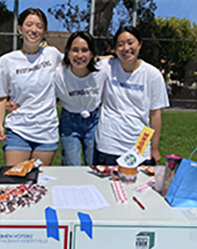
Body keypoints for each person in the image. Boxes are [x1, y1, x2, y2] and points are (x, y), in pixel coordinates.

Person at [0, 8, 63, 166]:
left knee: (40, 184)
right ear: (20, 29)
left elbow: (78, 63)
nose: (34, 30)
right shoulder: (7, 61)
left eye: (39, 26)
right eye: (29, 24)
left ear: (44, 32)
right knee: (15, 181)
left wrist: (112, 60)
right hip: (18, 130)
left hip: (47, 131)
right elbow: (1, 95)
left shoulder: (52, 54)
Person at [94, 25, 169, 166]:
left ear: (139, 44)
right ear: (115, 49)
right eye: (120, 45)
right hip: (109, 145)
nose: (126, 48)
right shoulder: (107, 66)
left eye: (130, 42)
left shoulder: (152, 74)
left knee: (138, 187)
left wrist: (154, 149)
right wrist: (105, 57)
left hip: (139, 147)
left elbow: (155, 114)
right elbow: (84, 60)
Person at [55, 31, 108, 166]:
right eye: (75, 50)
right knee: (71, 166)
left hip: (94, 122)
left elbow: (117, 61)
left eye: (85, 50)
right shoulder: (59, 74)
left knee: (94, 166)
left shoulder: (102, 70)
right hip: (69, 122)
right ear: (67, 53)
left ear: (92, 53)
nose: (79, 55)